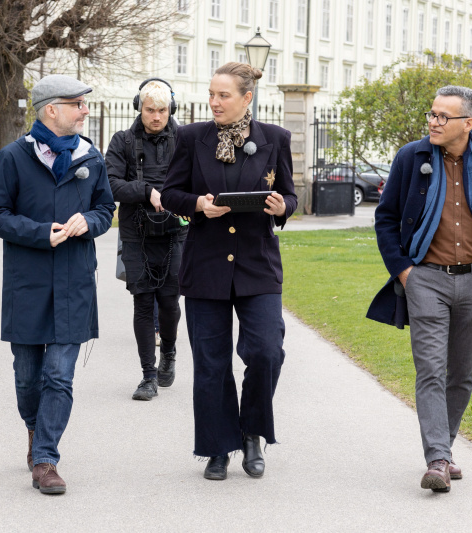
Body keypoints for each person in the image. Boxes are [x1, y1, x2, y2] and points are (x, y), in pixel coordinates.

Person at [367, 85, 472, 493]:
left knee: (461, 375)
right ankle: (437, 458)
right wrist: (405, 273)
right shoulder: (410, 157)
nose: (433, 123)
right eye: (431, 115)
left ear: (467, 124)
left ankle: (444, 449)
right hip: (426, 280)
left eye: (443, 117)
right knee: (431, 370)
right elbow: (386, 218)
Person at [161, 62, 297, 481]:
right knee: (211, 362)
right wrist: (199, 205)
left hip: (258, 266)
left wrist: (282, 207)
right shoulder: (189, 137)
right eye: (211, 94)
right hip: (205, 266)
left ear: (246, 98)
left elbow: (290, 194)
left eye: (223, 95)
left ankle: (251, 431)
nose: (214, 102)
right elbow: (170, 193)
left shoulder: (275, 139)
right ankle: (218, 447)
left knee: (266, 351)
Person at [0, 74, 115, 495]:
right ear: (51, 109)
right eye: (77, 103)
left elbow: (105, 209)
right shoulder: (14, 157)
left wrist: (88, 222)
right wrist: (42, 232)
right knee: (28, 378)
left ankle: (45, 459)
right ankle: (35, 430)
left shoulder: (91, 158)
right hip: (29, 285)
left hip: (74, 284)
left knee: (59, 377)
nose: (85, 110)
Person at [105, 78, 185, 400]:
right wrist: (147, 191)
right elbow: (110, 185)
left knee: (169, 302)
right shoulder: (122, 141)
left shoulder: (185, 141)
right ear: (139, 107)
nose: (156, 116)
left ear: (171, 109)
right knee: (142, 303)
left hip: (176, 232)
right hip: (135, 232)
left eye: (162, 110)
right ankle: (148, 376)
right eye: (150, 110)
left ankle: (168, 351)